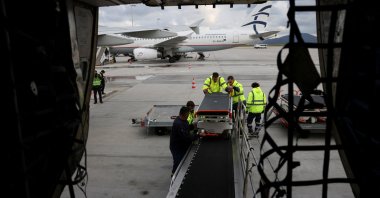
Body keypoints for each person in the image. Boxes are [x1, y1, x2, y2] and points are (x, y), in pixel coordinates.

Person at [169, 106, 205, 176]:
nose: (189, 115)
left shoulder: (182, 120)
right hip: (177, 148)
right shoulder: (178, 124)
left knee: (183, 161)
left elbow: (186, 128)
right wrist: (199, 135)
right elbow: (186, 137)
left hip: (182, 145)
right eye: (188, 114)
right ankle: (174, 175)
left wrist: (192, 125)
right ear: (184, 114)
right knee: (178, 162)